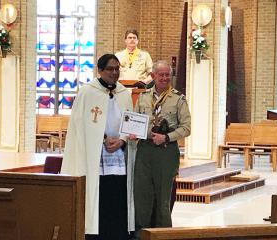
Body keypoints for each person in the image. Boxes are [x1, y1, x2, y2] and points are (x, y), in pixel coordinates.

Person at [61, 54, 135, 239]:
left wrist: (121, 140)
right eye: (110, 69)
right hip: (94, 155)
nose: (114, 72)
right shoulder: (87, 92)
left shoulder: (124, 93)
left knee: (117, 195)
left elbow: (131, 124)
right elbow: (79, 124)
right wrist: (103, 139)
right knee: (98, 196)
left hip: (119, 154)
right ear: (100, 70)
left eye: (117, 68)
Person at [132, 60, 191, 238]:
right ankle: (141, 235)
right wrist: (137, 133)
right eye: (161, 75)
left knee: (162, 199)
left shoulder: (178, 99)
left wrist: (166, 137)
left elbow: (187, 128)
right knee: (142, 196)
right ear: (153, 76)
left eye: (167, 75)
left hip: (166, 153)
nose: (165, 78)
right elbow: (135, 121)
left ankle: (163, 235)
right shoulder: (143, 98)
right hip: (144, 152)